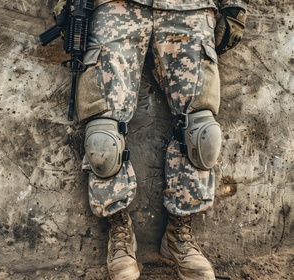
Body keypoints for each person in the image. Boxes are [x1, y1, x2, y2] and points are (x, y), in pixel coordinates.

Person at [51, 0, 249, 279]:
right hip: (114, 7)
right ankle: (119, 231)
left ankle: (179, 234)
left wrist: (235, 5)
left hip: (189, 8)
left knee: (202, 132)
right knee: (103, 138)